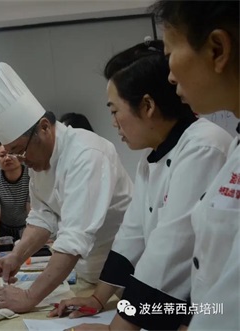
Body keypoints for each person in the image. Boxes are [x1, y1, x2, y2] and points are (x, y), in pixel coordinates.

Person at [51, 39, 232, 331]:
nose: (114, 122)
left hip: (208, 305)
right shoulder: (152, 160)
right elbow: (131, 236)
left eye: (114, 110)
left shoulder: (203, 145)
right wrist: (98, 299)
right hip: (177, 304)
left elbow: (170, 248)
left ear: (147, 105)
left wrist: (117, 329)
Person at [0, 62, 133, 313]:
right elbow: (42, 217)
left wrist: (28, 298)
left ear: (44, 127)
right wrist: (15, 257)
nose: (20, 161)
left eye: (21, 151)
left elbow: (73, 238)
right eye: (13, 153)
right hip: (89, 278)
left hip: (127, 277)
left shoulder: (86, 154)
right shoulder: (40, 161)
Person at [151, 1, 239, 330]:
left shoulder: (204, 144)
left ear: (217, 49)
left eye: (170, 54)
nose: (171, 75)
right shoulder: (236, 144)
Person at [0, 141, 30, 249]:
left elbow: (31, 208)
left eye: (11, 153)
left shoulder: (30, 174)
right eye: (2, 155)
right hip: (3, 229)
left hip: (27, 226)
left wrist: (32, 235)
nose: (7, 158)